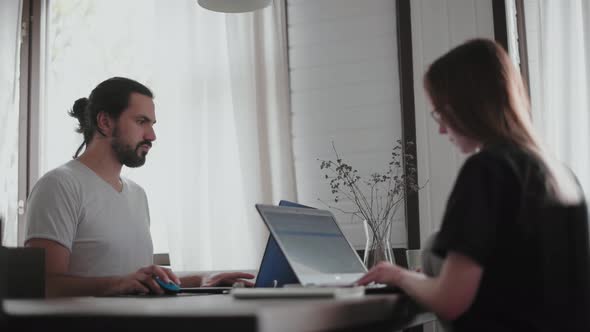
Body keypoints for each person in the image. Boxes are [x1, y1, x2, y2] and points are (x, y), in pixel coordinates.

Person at [357, 39, 590, 331]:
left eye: (442, 113)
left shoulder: (488, 170)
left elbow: (450, 300)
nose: (441, 128)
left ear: (469, 106)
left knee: (431, 249)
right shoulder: (561, 174)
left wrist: (398, 275)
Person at [25, 77, 254, 297]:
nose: (152, 136)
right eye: (141, 122)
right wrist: (117, 284)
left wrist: (203, 281)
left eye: (152, 124)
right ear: (104, 122)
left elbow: (138, 282)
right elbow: (44, 284)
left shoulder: (137, 194)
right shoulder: (58, 186)